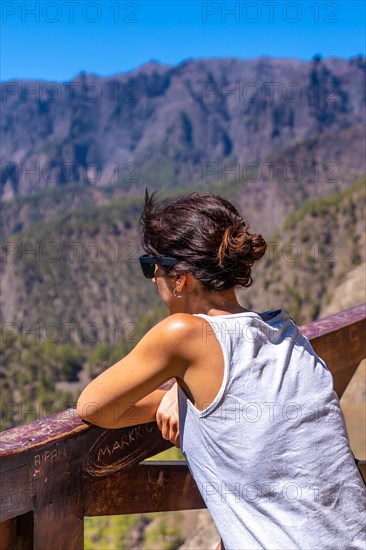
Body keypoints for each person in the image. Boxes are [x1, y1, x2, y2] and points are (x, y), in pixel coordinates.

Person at [77, 190, 366, 550]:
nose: (153, 279)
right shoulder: (285, 332)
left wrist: (179, 398)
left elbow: (93, 406)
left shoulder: (181, 334)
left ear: (181, 278)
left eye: (150, 265)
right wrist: (181, 395)